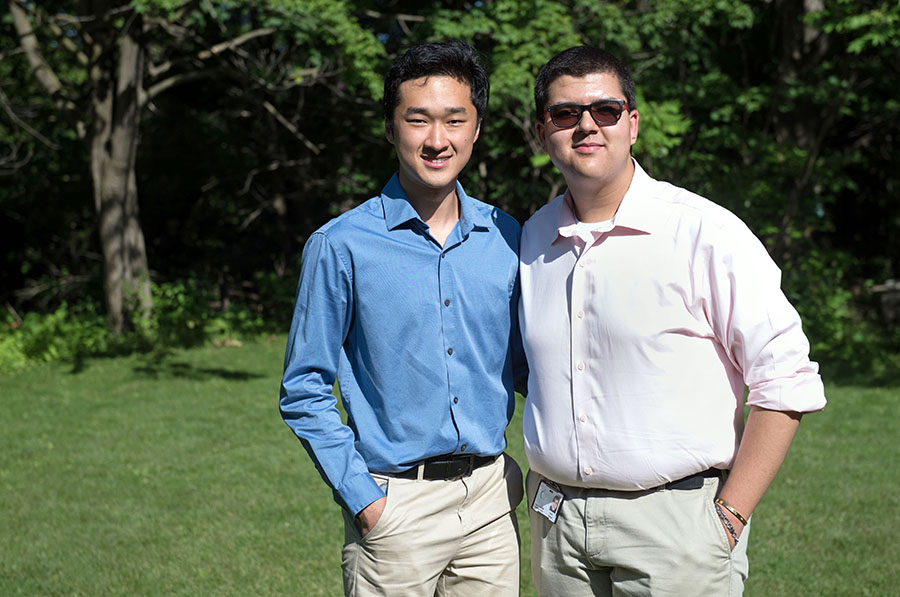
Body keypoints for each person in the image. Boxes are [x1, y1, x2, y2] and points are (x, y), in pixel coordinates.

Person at [518, 45, 827, 596]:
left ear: (632, 124)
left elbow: (786, 379)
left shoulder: (705, 232)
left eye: (605, 110)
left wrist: (728, 518)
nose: (586, 125)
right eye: (564, 114)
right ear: (543, 133)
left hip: (676, 527)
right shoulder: (532, 238)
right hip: (557, 528)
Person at [280, 40, 525, 597]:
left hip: (490, 503)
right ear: (391, 129)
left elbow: (525, 365)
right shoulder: (340, 246)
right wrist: (366, 500)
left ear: (476, 128)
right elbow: (304, 388)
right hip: (395, 508)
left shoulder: (508, 237)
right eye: (418, 120)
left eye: (453, 119)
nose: (437, 140)